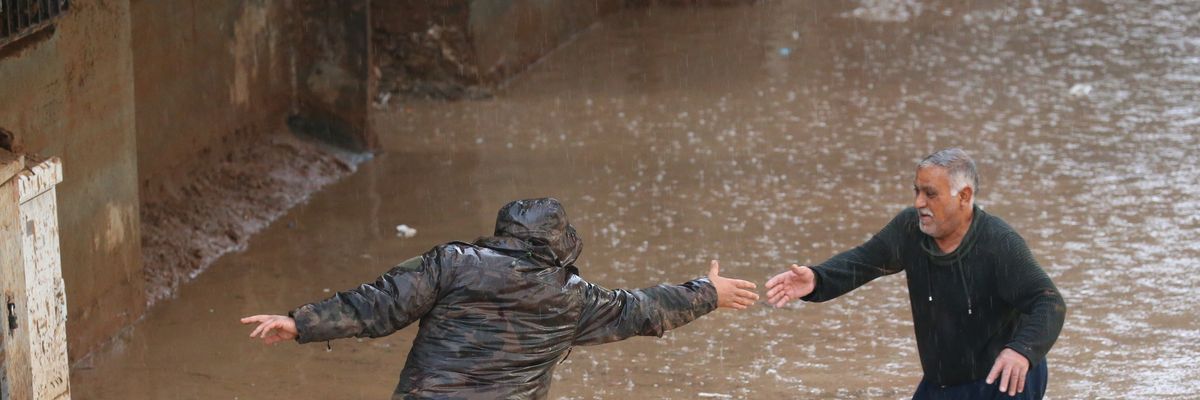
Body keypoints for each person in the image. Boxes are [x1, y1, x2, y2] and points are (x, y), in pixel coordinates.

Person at [241, 197, 759, 399]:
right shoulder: (573, 297)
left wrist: (299, 323)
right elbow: (644, 309)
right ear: (559, 245)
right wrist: (707, 292)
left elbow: (377, 304)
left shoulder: (453, 262)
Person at [765, 148, 1066, 399]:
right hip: (941, 383)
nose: (919, 202)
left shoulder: (1000, 244)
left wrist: (1022, 351)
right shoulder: (910, 229)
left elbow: (1048, 301)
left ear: (964, 196)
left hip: (1004, 378)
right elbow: (864, 261)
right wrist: (817, 278)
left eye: (930, 194)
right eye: (917, 191)